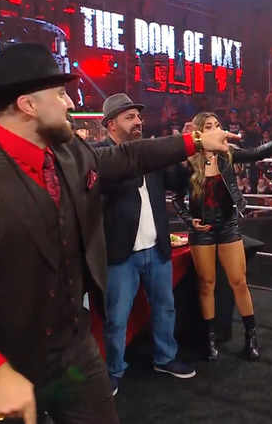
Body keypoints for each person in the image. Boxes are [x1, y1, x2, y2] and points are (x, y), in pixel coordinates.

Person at [0, 43, 238, 424]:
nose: (70, 104)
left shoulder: (70, 153)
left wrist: (195, 141)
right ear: (28, 105)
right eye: (61, 94)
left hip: (72, 347)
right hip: (1, 358)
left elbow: (130, 156)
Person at [170, 113, 272, 361]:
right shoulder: (188, 163)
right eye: (209, 126)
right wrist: (190, 221)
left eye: (217, 125)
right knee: (207, 284)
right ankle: (210, 339)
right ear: (199, 132)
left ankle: (251, 338)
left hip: (227, 224)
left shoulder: (227, 154)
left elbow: (255, 153)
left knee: (239, 282)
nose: (216, 129)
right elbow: (177, 198)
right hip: (202, 230)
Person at [93, 93, 196, 396]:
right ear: (111, 124)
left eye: (138, 117)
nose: (138, 122)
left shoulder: (149, 153)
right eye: (130, 117)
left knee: (165, 307)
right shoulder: (99, 156)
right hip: (120, 252)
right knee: (116, 318)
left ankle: (165, 357)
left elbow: (176, 182)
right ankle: (113, 370)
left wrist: (184, 160)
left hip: (156, 247)